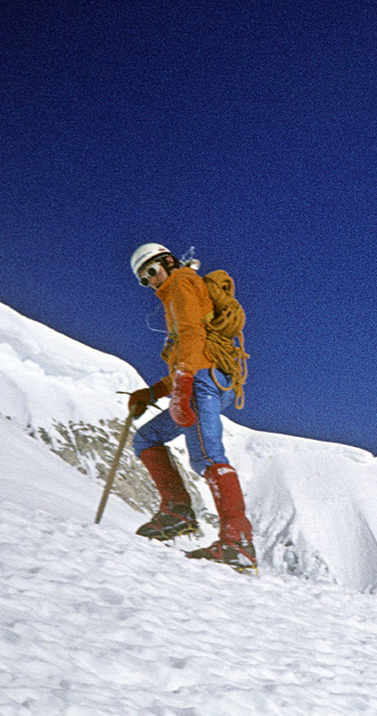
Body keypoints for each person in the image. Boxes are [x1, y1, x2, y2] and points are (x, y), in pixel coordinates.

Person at [126, 242, 256, 570]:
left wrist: (183, 387)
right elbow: (188, 350)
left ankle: (237, 542)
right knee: (146, 439)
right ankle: (176, 513)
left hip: (200, 382)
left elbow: (192, 335)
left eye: (152, 272)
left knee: (208, 455)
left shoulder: (182, 282)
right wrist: (155, 391)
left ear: (167, 262)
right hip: (203, 379)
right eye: (144, 279)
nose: (151, 281)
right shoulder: (174, 293)